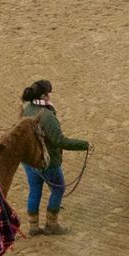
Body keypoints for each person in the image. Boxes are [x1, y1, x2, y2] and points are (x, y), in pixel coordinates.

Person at [19, 80, 91, 236]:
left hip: (29, 160)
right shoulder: (46, 116)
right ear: (44, 96)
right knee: (58, 189)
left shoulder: (26, 109)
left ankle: (33, 227)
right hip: (47, 161)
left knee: (34, 189)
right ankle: (52, 224)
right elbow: (59, 141)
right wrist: (84, 144)